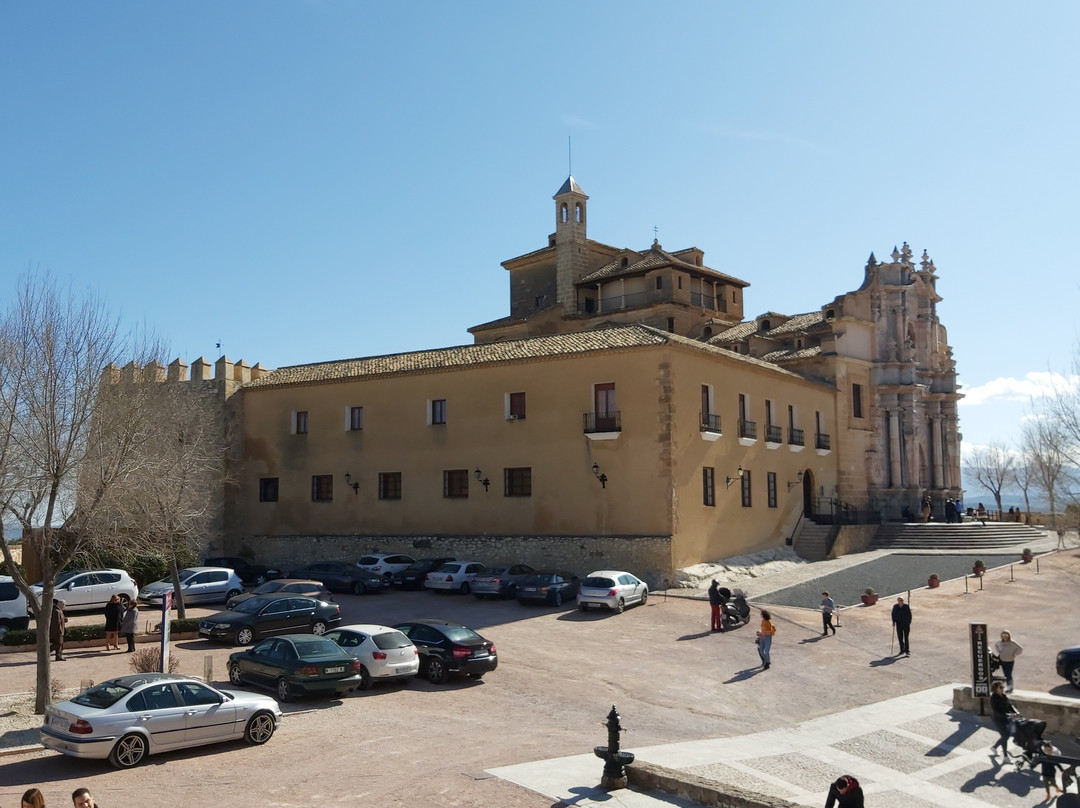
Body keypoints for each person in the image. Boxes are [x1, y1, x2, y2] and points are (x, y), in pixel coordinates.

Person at [989, 679, 1017, 755]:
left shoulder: (1004, 696)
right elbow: (996, 711)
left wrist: (1015, 712)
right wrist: (1007, 715)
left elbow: (1010, 705)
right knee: (1005, 736)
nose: (1003, 688)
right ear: (996, 689)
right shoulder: (994, 698)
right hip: (998, 720)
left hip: (1006, 719)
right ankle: (1005, 756)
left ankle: (994, 747)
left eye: (1003, 687)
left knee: (1006, 736)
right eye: (1001, 687)